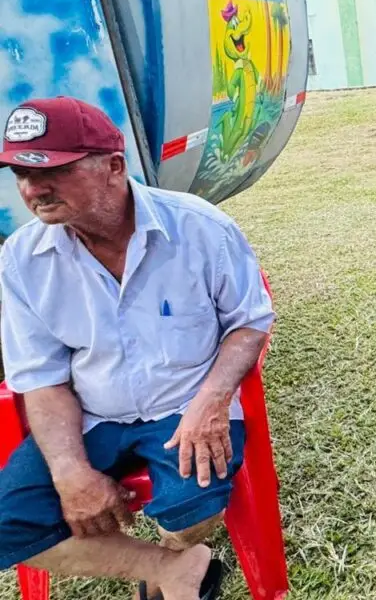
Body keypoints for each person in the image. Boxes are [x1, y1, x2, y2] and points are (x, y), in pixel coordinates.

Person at [0, 97, 274, 600]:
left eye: (54, 171)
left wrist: (210, 402)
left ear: (114, 166)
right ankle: (170, 570)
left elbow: (250, 322)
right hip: (93, 414)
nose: (33, 190)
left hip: (183, 404)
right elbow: (41, 377)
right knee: (7, 528)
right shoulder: (23, 260)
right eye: (22, 173)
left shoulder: (200, 228)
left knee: (191, 512)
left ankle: (178, 554)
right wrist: (70, 471)